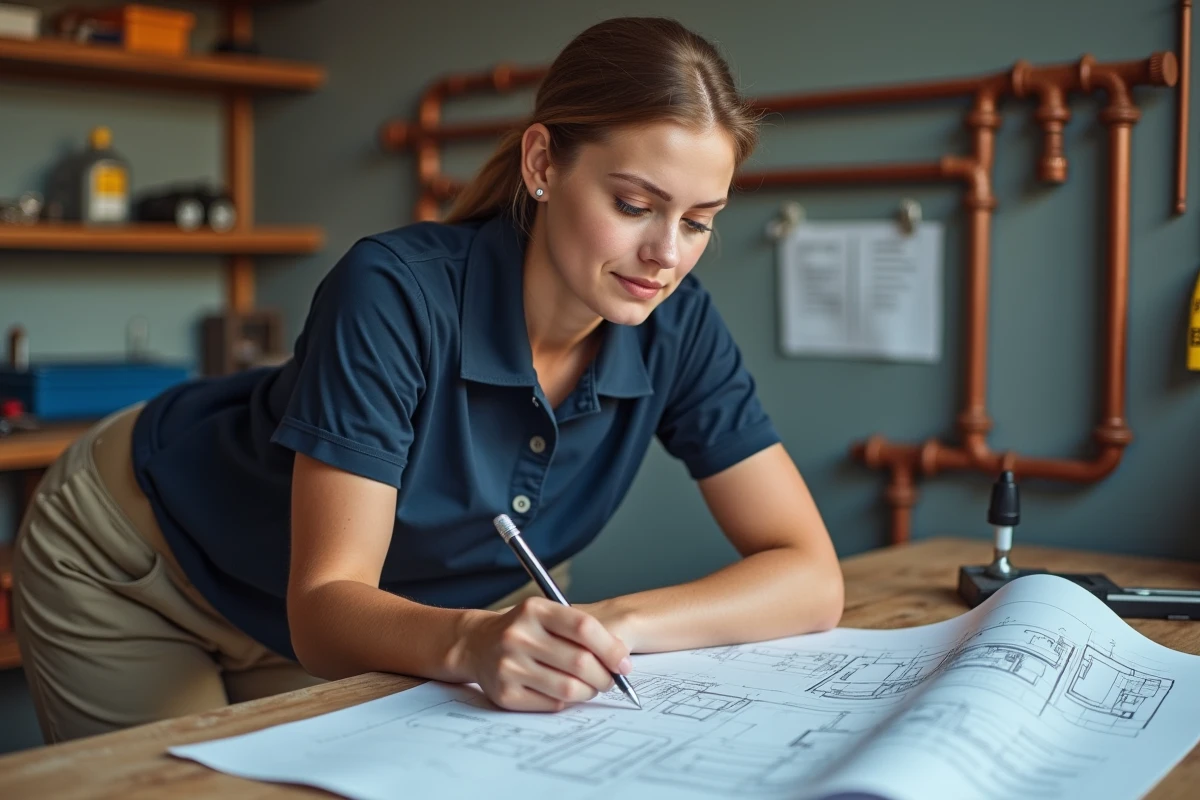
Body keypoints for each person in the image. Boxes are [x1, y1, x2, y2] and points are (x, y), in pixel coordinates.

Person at [12, 15, 843, 744]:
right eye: (634, 205)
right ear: (543, 162)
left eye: (697, 222)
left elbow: (809, 576)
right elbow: (326, 602)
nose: (666, 255)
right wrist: (472, 643)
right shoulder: (392, 292)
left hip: (361, 622)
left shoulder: (678, 326)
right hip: (143, 561)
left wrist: (613, 624)